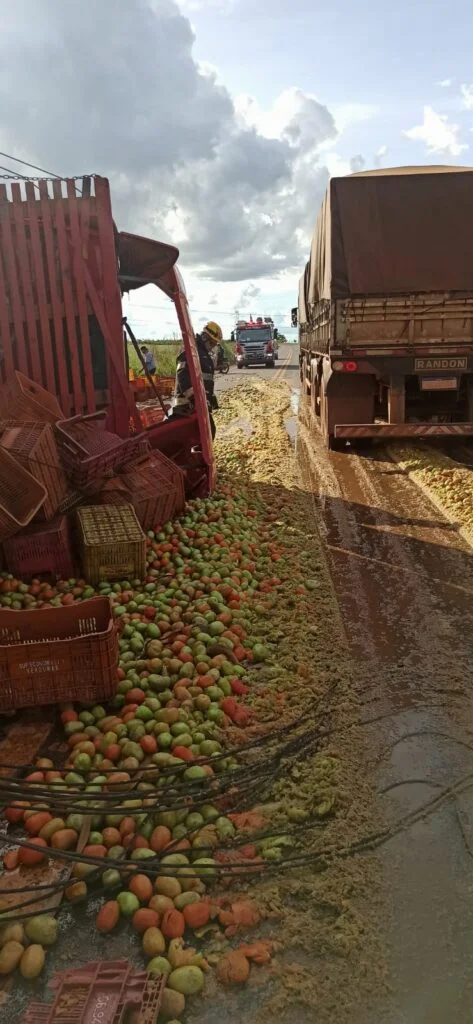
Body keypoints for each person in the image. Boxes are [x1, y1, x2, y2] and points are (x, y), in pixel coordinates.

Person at [172, 321, 223, 439]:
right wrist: (196, 400)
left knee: (207, 432)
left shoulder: (203, 354)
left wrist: (211, 399)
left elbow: (205, 381)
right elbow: (183, 376)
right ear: (204, 337)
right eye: (212, 342)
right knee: (205, 433)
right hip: (186, 406)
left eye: (215, 344)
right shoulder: (190, 351)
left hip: (197, 405)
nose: (213, 346)